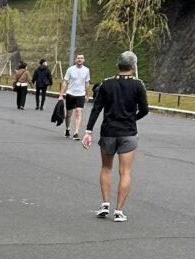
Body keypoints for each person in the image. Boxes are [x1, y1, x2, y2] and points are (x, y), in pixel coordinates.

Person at [82, 50, 149, 222]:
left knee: (106, 168)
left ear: (118, 65)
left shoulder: (106, 84)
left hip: (108, 132)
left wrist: (88, 131)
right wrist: (132, 119)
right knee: (125, 172)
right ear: (133, 66)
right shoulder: (138, 85)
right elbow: (144, 109)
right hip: (128, 132)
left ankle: (105, 204)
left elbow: (97, 109)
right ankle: (119, 211)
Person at [60, 53, 91, 138]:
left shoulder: (86, 70)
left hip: (80, 94)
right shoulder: (70, 69)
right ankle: (67, 129)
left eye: (81, 58)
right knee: (69, 114)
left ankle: (76, 132)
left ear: (84, 60)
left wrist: (87, 95)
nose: (80, 60)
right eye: (78, 58)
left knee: (78, 112)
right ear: (75, 60)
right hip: (70, 93)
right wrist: (61, 94)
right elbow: (65, 82)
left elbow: (87, 83)